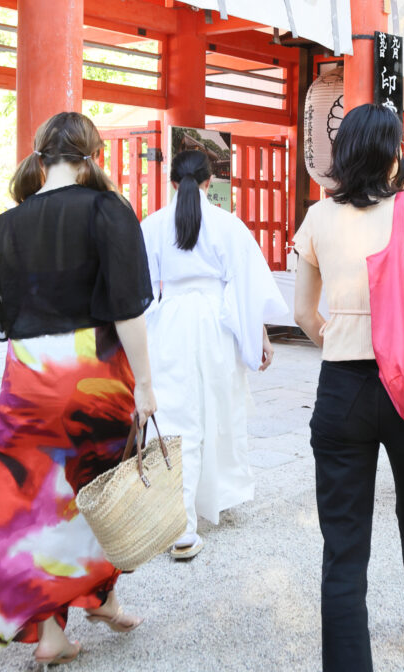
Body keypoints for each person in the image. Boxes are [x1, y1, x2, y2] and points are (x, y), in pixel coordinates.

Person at [0, 112, 157, 664]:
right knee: (102, 492)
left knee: (34, 506)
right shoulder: (108, 210)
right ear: (90, 154)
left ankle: (50, 633)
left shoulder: (6, 224)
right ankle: (102, 596)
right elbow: (128, 309)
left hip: (28, 377)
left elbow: (8, 310)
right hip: (92, 377)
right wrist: (145, 384)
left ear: (41, 157)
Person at [292, 103, 404, 670]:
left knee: (343, 541)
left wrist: (339, 342)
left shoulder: (318, 219)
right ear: (393, 154)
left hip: (342, 387)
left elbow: (304, 314)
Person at [139, 150, 287, 560]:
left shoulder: (151, 226)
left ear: (172, 183)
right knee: (217, 411)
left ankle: (178, 524)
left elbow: (143, 292)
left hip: (169, 324)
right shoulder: (227, 225)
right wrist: (259, 336)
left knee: (173, 418)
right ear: (209, 183)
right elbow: (245, 288)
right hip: (216, 324)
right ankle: (211, 500)